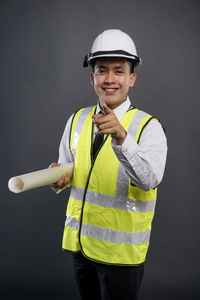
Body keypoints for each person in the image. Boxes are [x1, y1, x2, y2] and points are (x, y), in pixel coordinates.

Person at [50, 29, 167, 300]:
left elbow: (149, 180)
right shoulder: (77, 120)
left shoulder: (148, 127)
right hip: (81, 247)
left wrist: (121, 137)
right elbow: (67, 169)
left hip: (121, 255)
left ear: (131, 78)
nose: (110, 79)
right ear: (92, 77)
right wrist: (57, 179)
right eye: (102, 70)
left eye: (119, 71)